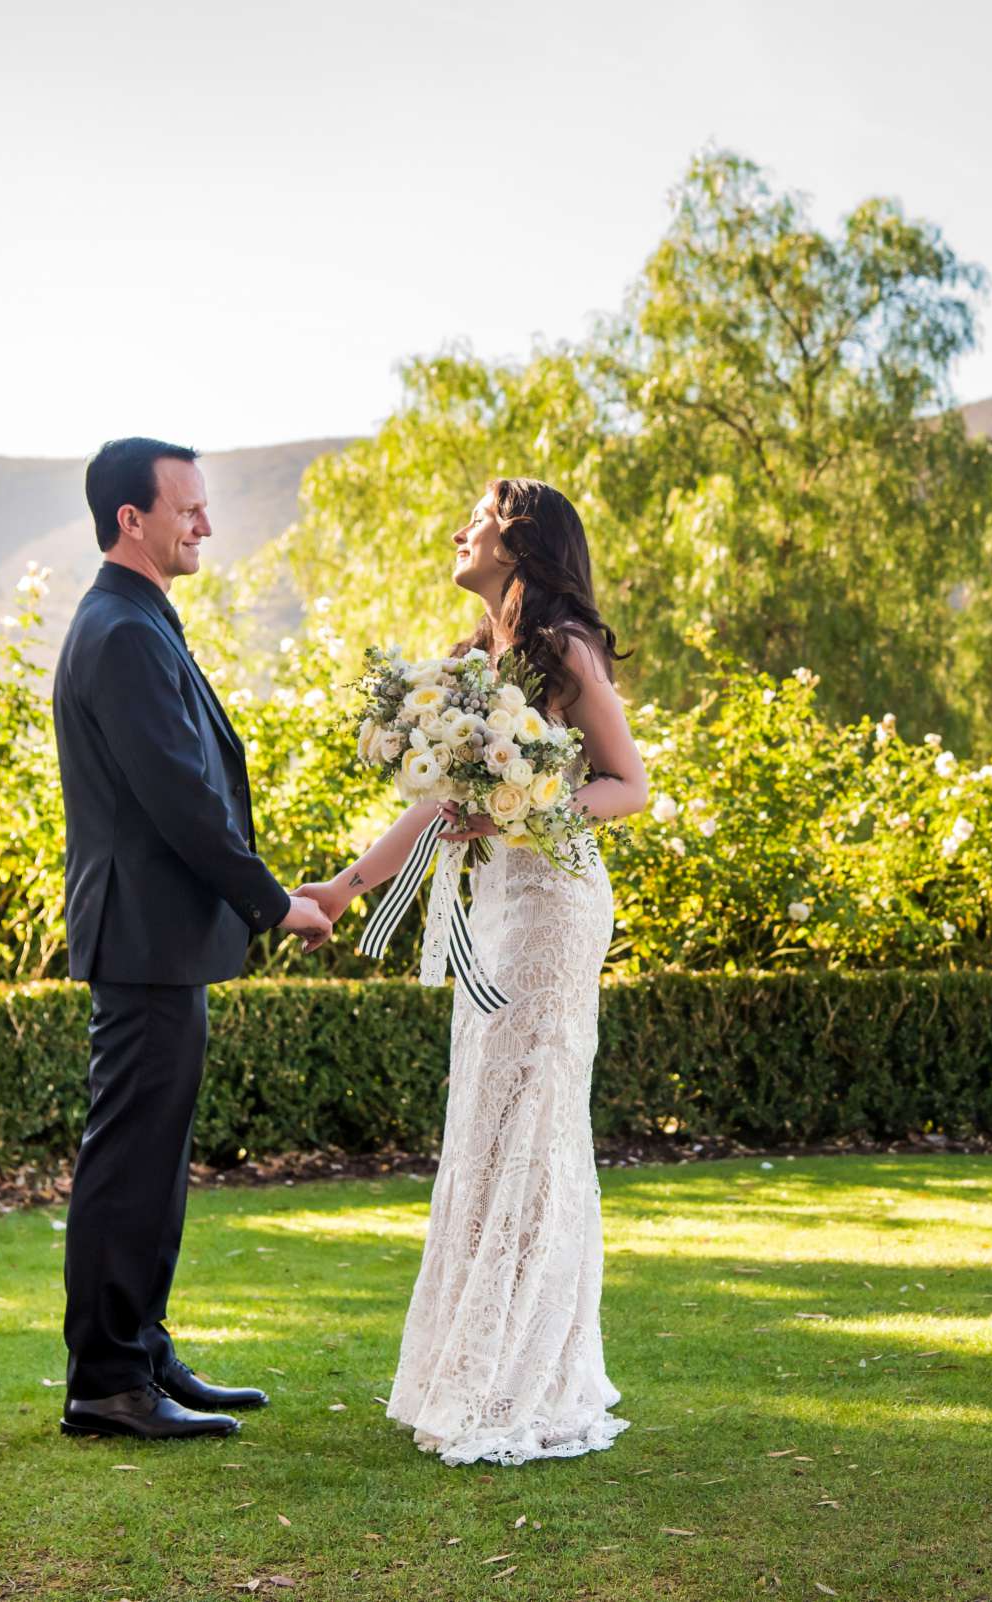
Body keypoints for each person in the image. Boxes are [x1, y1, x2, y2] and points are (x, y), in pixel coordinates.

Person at [297, 477, 648, 1466]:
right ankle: (477, 1363)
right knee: (485, 1125)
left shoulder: (562, 650)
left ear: (520, 542)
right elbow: (438, 799)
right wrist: (347, 885)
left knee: (530, 1121)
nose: (460, 531)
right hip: (494, 906)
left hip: (554, 906)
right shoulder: (469, 663)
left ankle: (524, 1380)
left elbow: (629, 785)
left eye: (480, 519)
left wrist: (525, 811)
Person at [51, 436, 337, 1441]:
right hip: (144, 937)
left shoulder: (133, 621)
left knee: (153, 1162)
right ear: (133, 518)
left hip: (159, 940)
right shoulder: (122, 632)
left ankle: (142, 1350)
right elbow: (181, 798)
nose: (206, 524)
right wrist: (274, 903)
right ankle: (108, 1384)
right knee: (130, 1161)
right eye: (189, 508)